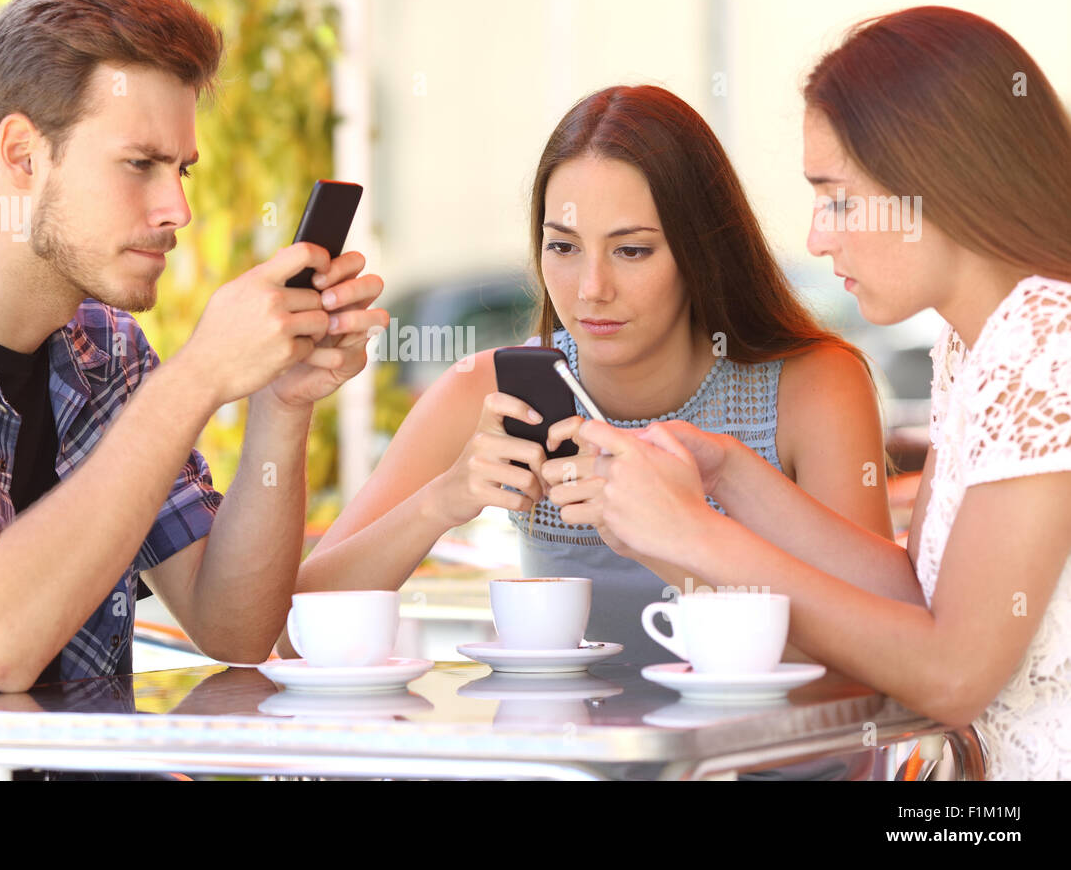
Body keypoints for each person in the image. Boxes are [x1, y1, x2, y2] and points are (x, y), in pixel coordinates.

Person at [0, 0, 387, 780]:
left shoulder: (109, 350)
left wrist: (282, 400)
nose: (177, 210)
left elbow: (233, 627)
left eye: (183, 170)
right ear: (22, 155)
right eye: (140, 165)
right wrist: (198, 375)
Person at [561, 7, 1071, 780]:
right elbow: (914, 598)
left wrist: (695, 535)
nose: (817, 237)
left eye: (835, 198)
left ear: (931, 185)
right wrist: (731, 474)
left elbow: (955, 674)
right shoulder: (977, 346)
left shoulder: (1046, 340)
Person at [284, 84, 893, 669]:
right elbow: (293, 633)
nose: (591, 290)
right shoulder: (489, 390)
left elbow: (882, 648)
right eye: (564, 247)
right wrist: (441, 503)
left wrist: (667, 533)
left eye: (632, 251)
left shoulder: (812, 388)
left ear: (703, 251)